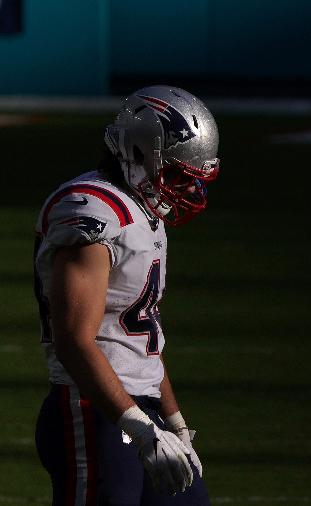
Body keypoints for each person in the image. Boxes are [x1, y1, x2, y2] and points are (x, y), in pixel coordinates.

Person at [33, 85, 220, 504]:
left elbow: (142, 337)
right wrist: (136, 425)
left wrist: (174, 422)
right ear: (138, 155)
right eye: (178, 177)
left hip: (143, 408)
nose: (190, 192)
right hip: (91, 409)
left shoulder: (143, 211)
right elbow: (74, 341)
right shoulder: (95, 212)